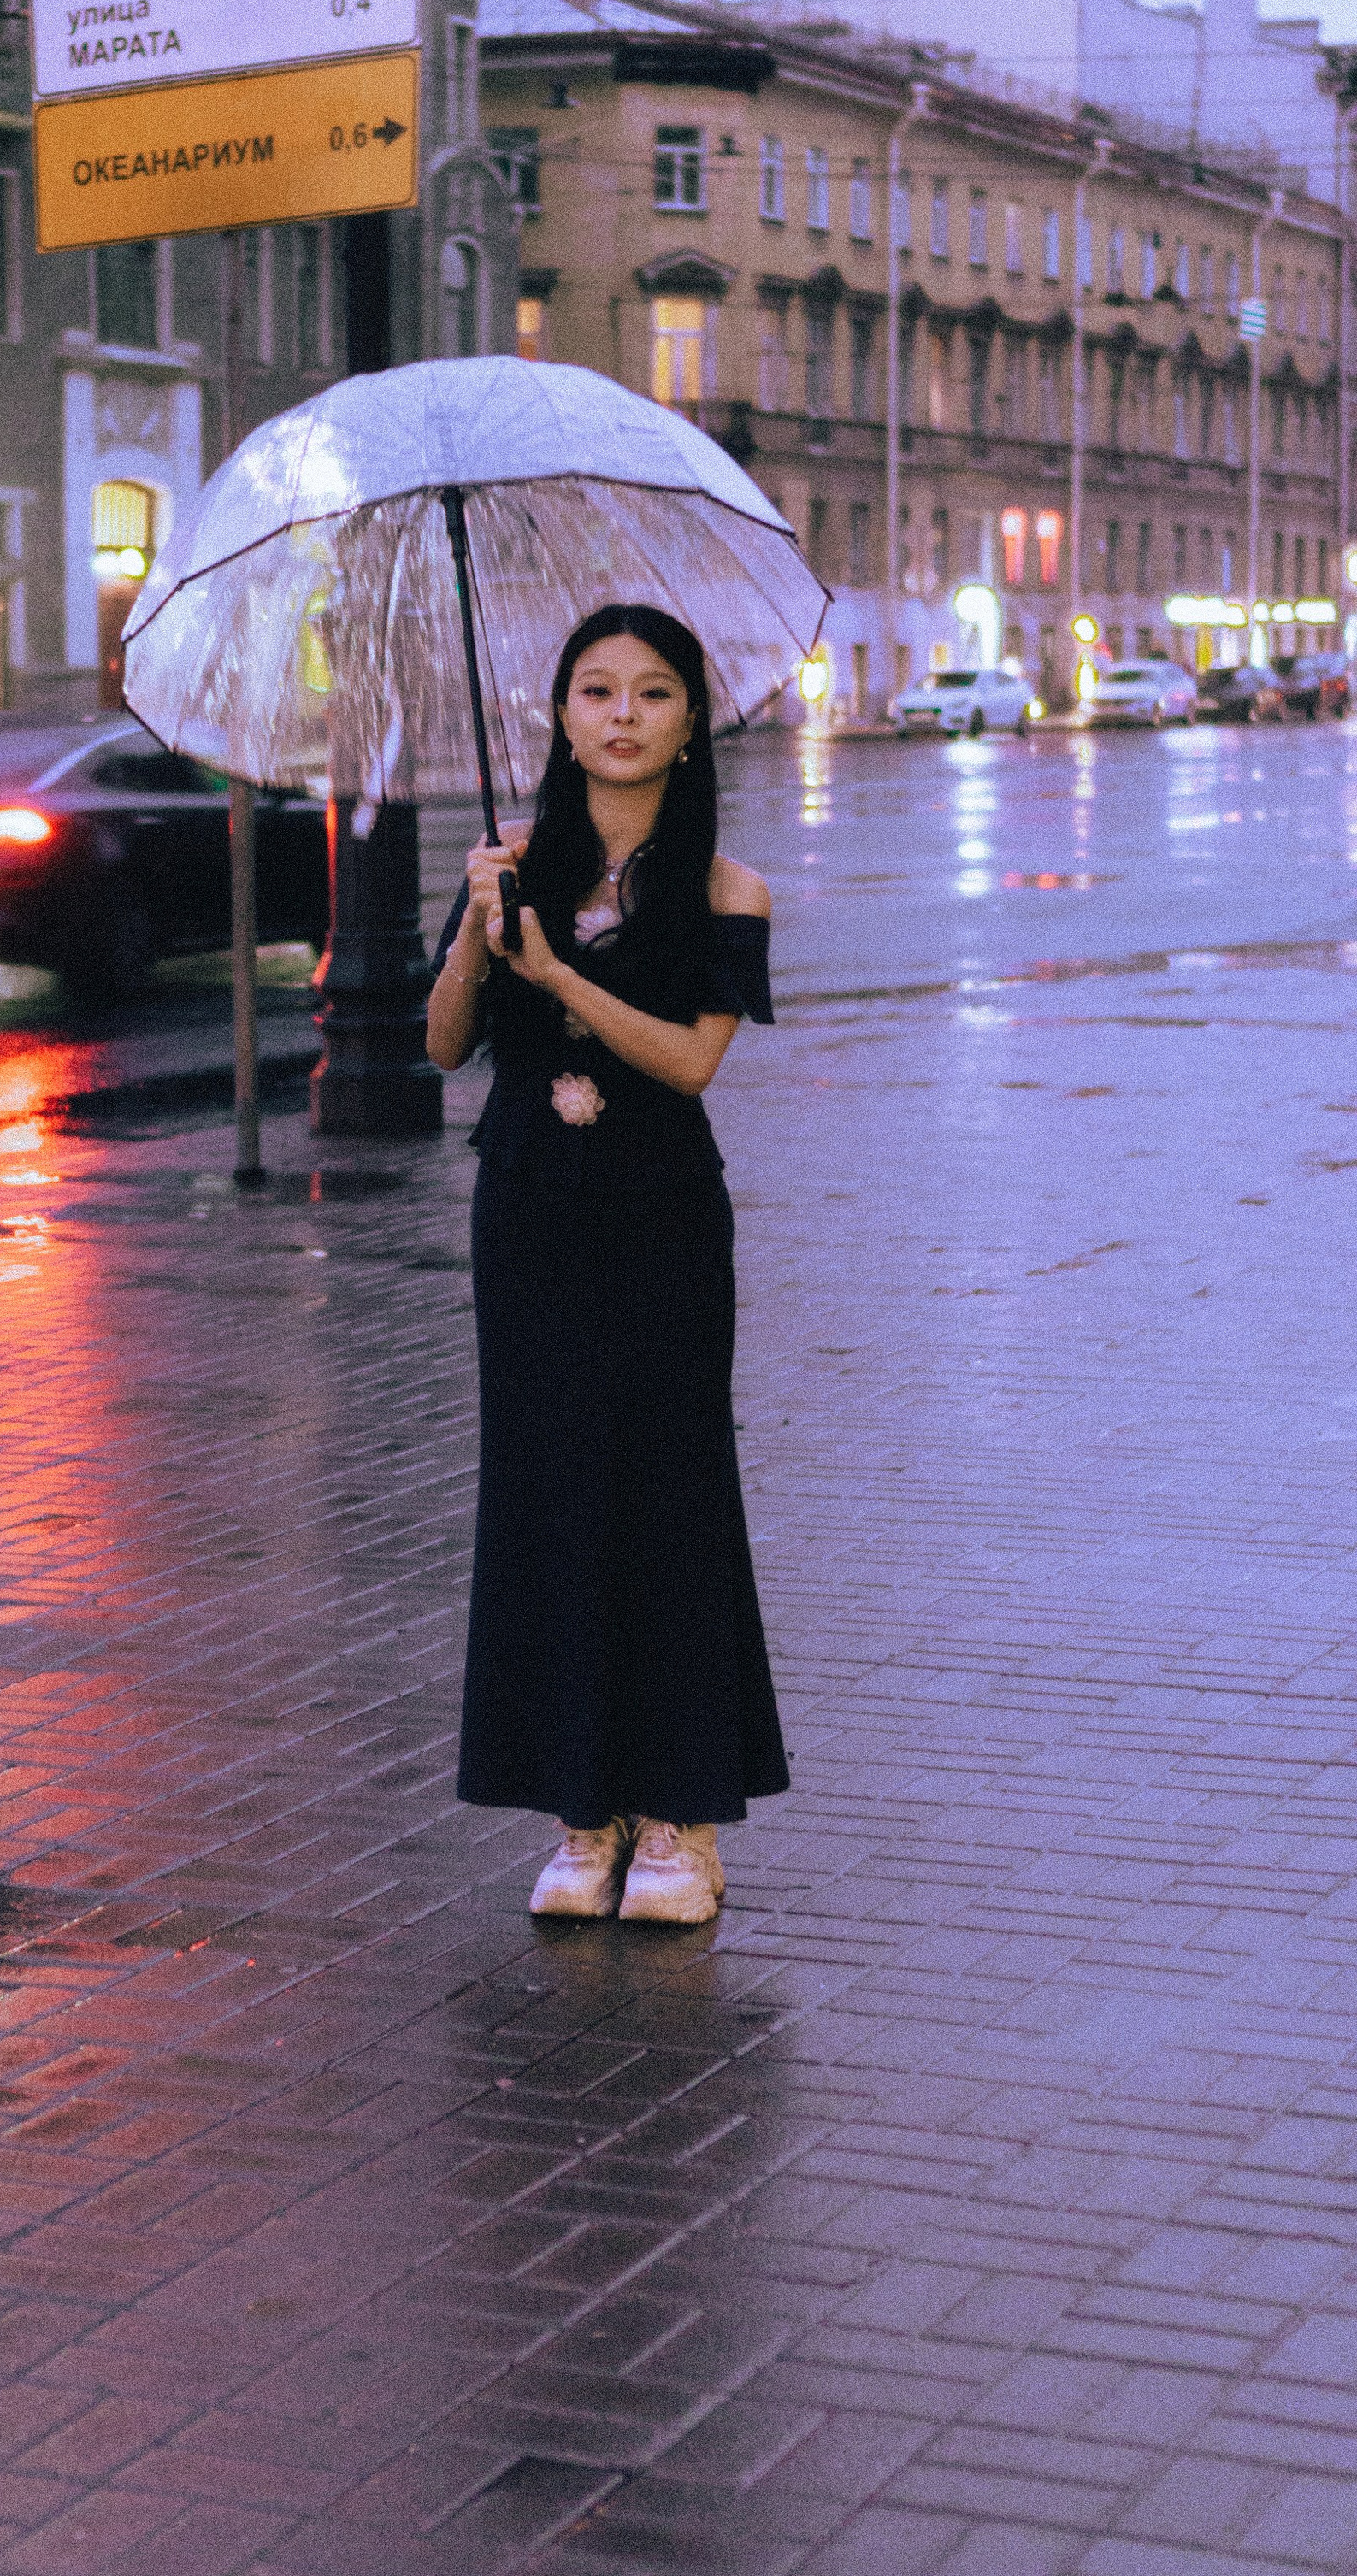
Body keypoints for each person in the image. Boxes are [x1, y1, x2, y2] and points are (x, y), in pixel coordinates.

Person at [425, 604, 788, 1927]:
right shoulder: (510, 866)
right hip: (529, 1210)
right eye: (594, 690)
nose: (620, 715)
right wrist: (480, 932)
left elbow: (691, 1062)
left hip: (659, 1217)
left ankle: (682, 1826)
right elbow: (445, 1044)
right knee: (546, 1494)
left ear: (693, 725)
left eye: (650, 694)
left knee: (669, 1498)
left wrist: (559, 974)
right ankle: (583, 1815)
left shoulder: (726, 890)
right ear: (561, 717)